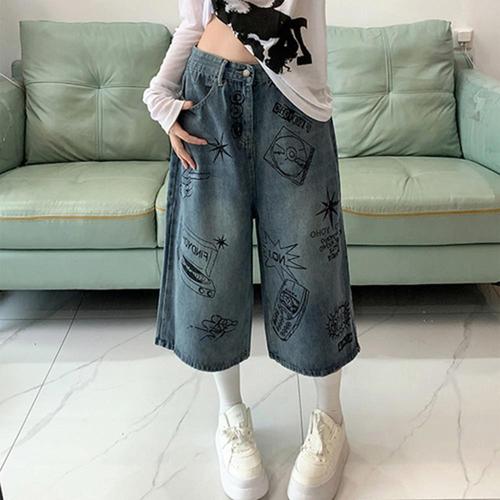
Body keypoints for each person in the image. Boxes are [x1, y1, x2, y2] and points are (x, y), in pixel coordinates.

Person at [143, 1, 361, 499]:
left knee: (313, 266)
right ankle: (231, 416)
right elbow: (196, 22)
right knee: (215, 267)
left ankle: (331, 419)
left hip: (294, 104)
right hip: (210, 95)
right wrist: (160, 94)